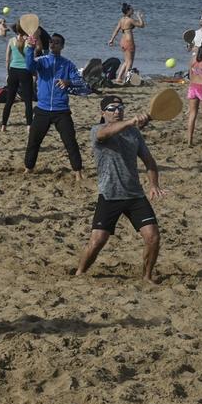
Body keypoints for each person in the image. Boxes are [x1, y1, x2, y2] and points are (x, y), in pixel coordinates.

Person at [75, 95, 164, 285]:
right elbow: (104, 135)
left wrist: (154, 184)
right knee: (98, 241)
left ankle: (147, 276)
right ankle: (80, 273)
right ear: (102, 113)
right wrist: (131, 121)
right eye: (112, 108)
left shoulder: (134, 134)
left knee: (153, 237)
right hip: (110, 195)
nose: (117, 111)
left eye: (120, 108)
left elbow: (149, 161)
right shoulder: (97, 130)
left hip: (135, 195)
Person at [23, 32, 90, 181]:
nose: (53, 44)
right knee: (33, 141)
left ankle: (78, 171)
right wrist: (30, 48)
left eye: (57, 42)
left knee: (70, 142)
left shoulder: (68, 64)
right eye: (51, 42)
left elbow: (81, 82)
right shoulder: (41, 61)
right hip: (42, 109)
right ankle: (29, 167)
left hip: (61, 111)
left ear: (62, 46)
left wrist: (68, 82)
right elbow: (29, 66)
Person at [1, 22, 33, 132]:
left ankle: (3, 125)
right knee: (28, 101)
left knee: (9, 100)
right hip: (25, 71)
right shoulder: (28, 41)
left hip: (13, 71)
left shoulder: (11, 41)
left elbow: (7, 60)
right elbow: (31, 58)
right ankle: (29, 126)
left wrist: (7, 73)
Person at [107, 3, 146, 83]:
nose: (133, 10)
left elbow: (116, 30)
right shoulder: (130, 20)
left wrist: (112, 39)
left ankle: (119, 78)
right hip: (129, 41)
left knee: (126, 61)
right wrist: (139, 17)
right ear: (128, 11)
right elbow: (141, 25)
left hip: (122, 41)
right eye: (131, 9)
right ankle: (126, 79)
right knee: (130, 61)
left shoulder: (122, 19)